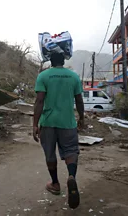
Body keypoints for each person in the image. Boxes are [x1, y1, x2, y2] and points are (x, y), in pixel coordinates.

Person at [33, 52, 84, 209]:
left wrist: (35, 124)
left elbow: (39, 100)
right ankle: (71, 176)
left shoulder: (43, 76)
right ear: (64, 60)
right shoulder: (73, 76)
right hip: (68, 122)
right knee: (71, 151)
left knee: (50, 153)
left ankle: (55, 184)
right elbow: (79, 99)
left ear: (50, 61)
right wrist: (82, 117)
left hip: (48, 122)